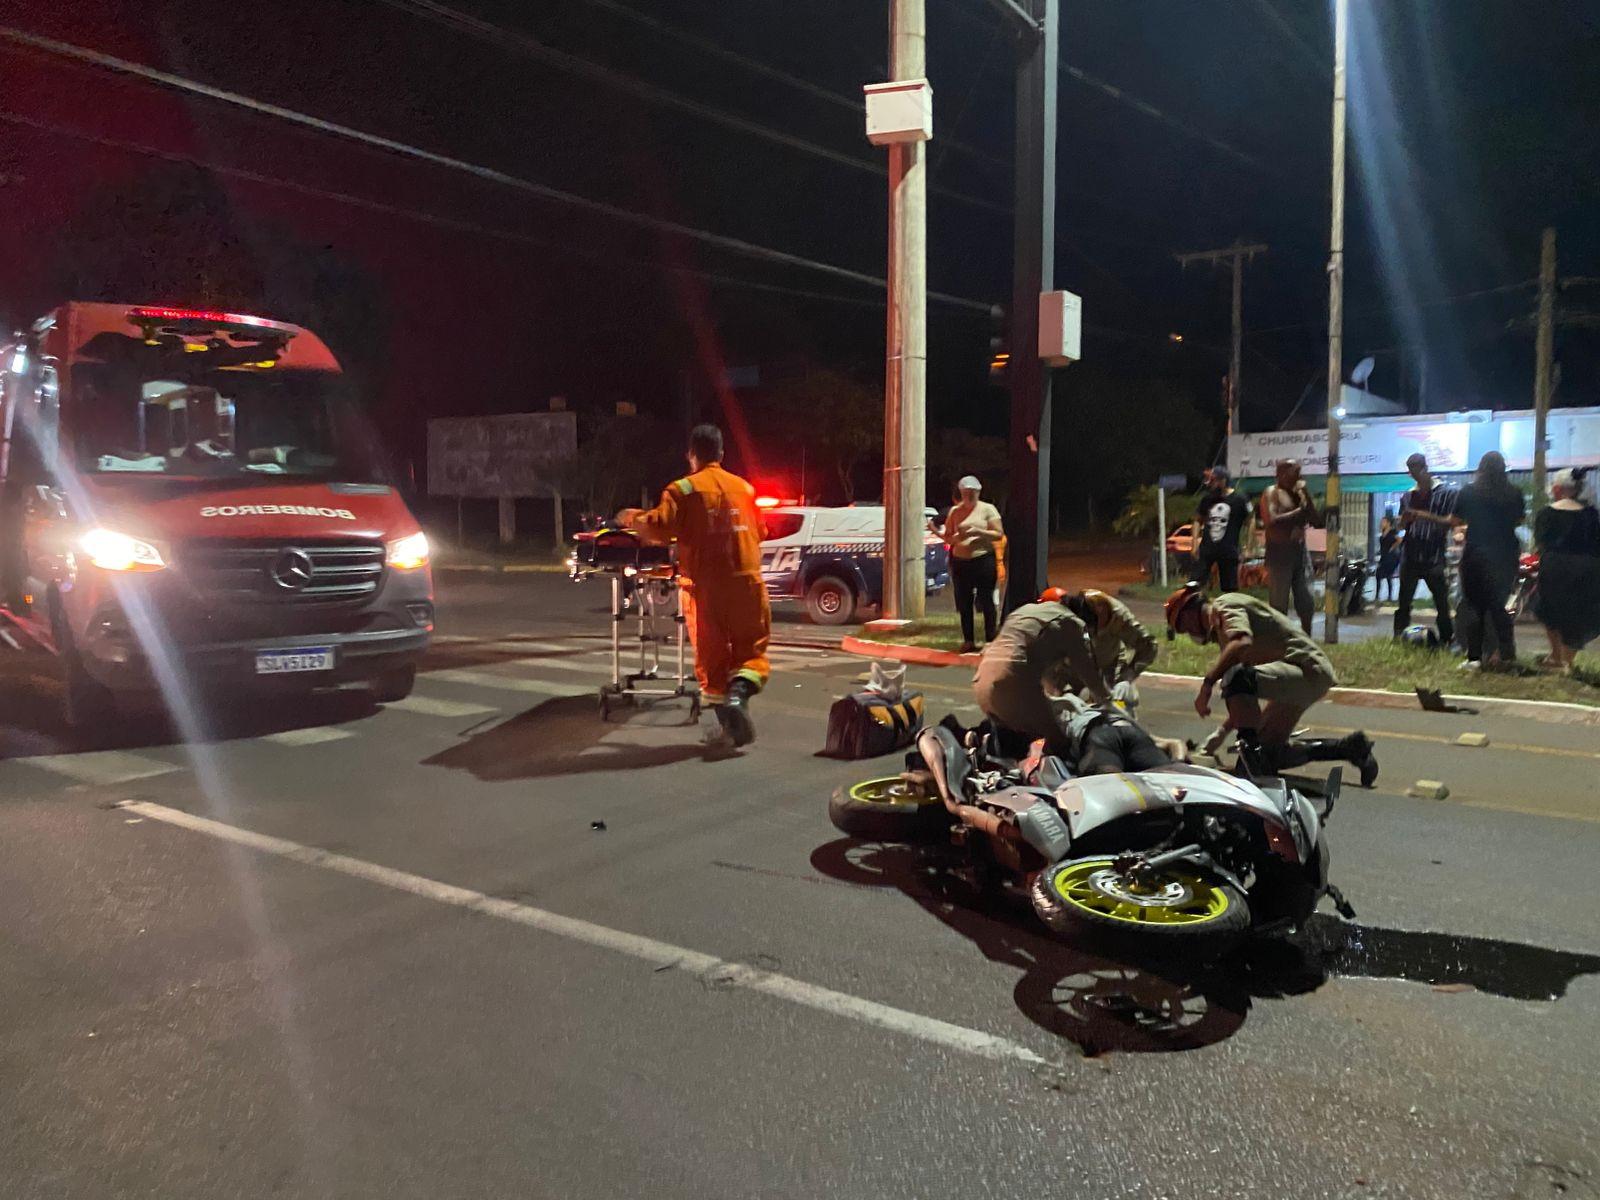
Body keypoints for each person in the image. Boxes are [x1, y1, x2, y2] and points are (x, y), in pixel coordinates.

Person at [618, 424, 770, 748]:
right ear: (721, 454)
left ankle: (727, 724)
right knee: (750, 653)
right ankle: (738, 698)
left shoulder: (682, 490)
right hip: (749, 583)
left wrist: (631, 518)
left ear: (692, 455)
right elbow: (762, 530)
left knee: (712, 660)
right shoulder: (745, 488)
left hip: (707, 587)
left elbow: (659, 527)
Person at [1165, 584, 1378, 786]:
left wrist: (1207, 684)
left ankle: (1253, 766)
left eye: (1183, 627)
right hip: (1297, 677)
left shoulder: (1224, 606)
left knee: (1235, 679)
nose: (1188, 633)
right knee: (1269, 754)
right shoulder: (1225, 636)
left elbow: (1242, 647)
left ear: (1190, 613)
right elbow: (1242, 701)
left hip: (1306, 669)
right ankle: (1351, 748)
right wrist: (1219, 735)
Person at [973, 592, 1111, 754]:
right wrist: (1108, 702)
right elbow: (1086, 671)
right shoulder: (1071, 622)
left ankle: (980, 744)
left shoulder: (1024, 611)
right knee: (1059, 741)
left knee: (1014, 744)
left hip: (982, 682)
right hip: (1013, 682)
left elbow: (1035, 659)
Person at [1454, 451, 1525, 669]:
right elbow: (1519, 520)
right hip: (1505, 554)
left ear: (1481, 468)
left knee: (1474, 606)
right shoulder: (1514, 493)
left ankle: (1475, 658)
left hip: (1476, 553)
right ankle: (1506, 654)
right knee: (1498, 606)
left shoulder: (1468, 492)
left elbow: (1457, 519)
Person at [1533, 468, 1600, 674]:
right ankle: (1567, 660)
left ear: (1557, 489)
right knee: (1580, 613)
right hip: (1587, 568)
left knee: (1549, 610)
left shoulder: (1546, 514)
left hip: (1555, 567)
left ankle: (1556, 656)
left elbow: (1541, 543)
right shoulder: (1591, 514)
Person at [1039, 586, 1157, 701]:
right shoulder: (1070, 612)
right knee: (1056, 703)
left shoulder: (1121, 618)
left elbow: (1149, 647)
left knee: (1115, 703)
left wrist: (1127, 676)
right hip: (1072, 668)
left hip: (1109, 665)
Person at [1393, 452, 1458, 645]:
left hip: (1434, 554)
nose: (1415, 476)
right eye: (1411, 473)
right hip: (1411, 553)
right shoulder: (1408, 496)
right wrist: (1404, 521)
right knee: (1404, 601)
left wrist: (1422, 514)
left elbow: (1451, 522)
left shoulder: (1446, 493)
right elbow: (1400, 526)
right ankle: (1399, 637)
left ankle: (1447, 639)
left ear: (1425, 468)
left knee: (1441, 600)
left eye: (1417, 471)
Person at [934, 476, 1004, 653]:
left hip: (982, 559)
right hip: (961, 561)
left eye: (972, 493)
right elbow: (948, 536)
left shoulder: (988, 509)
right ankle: (968, 641)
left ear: (978, 493)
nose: (969, 496)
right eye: (966, 493)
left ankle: (990, 639)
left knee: (986, 599)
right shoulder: (955, 512)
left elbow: (998, 533)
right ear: (961, 493)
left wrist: (978, 532)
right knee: (964, 601)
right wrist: (955, 538)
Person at [1259, 459, 1319, 635]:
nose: (1299, 476)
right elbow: (1272, 520)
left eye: (1300, 472)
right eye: (1295, 472)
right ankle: (1278, 640)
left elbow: (1316, 520)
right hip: (1279, 553)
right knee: (1279, 603)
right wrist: (1299, 511)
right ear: (1282, 474)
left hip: (1299, 552)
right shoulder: (1272, 492)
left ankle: (1306, 638)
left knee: (1306, 600)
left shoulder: (1298, 494)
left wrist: (1306, 495)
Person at [1193, 466, 1252, 593]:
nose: (1211, 484)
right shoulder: (1208, 499)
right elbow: (1197, 520)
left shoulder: (1240, 499)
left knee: (1229, 588)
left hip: (1229, 549)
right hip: (1207, 549)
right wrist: (1194, 544)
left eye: (1213, 481)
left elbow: (1250, 520)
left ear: (1223, 480)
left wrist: (1248, 546)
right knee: (1195, 583)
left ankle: (1228, 605)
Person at [1373, 513, 1401, 603]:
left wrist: (1392, 547)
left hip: (1391, 557)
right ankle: (1377, 596)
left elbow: (1399, 540)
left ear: (1388, 523)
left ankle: (1389, 596)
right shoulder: (1383, 532)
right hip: (1384, 556)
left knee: (1388, 575)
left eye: (1384, 522)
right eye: (1382, 522)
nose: (1382, 523)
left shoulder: (1392, 532)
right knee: (1378, 575)